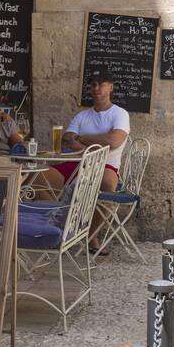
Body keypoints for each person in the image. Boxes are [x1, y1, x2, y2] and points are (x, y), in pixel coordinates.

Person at [37, 72, 130, 252]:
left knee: (108, 185)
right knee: (36, 179)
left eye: (101, 84)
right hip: (76, 163)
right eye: (93, 85)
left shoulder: (120, 114)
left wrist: (82, 138)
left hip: (105, 165)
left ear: (110, 87)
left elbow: (113, 142)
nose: (96, 89)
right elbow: (67, 139)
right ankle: (60, 228)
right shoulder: (82, 115)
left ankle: (90, 235)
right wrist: (90, 144)